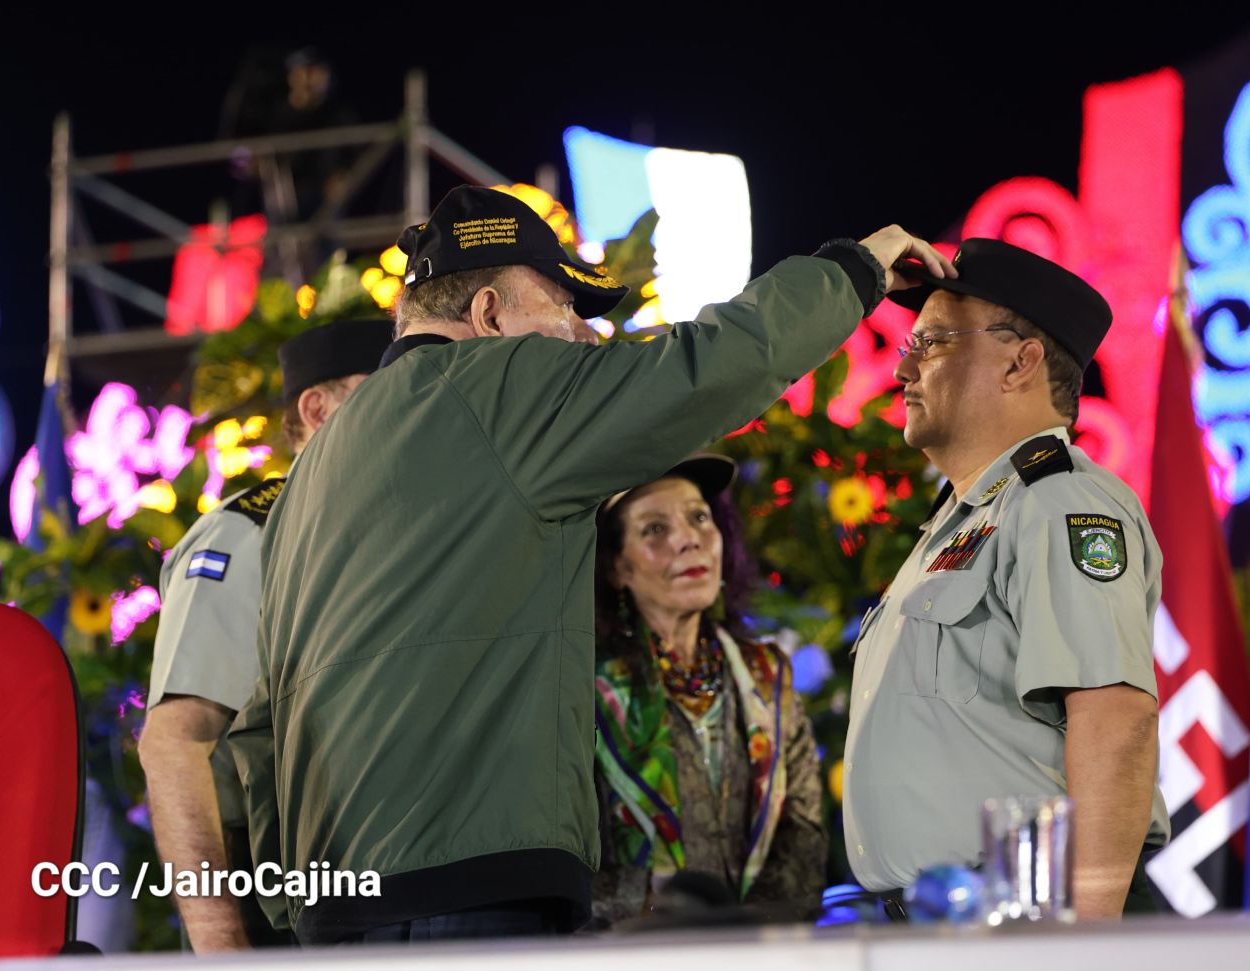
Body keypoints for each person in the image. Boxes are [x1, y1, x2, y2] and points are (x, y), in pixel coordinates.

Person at [229, 184, 954, 945]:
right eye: (564, 308)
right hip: (469, 887)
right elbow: (709, 366)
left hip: (336, 904)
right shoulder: (495, 388)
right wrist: (854, 269)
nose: (583, 336)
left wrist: (289, 904)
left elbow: (258, 723)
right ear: (489, 315)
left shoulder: (308, 476)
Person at [839, 238, 1168, 920]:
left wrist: (1083, 943)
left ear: (1021, 363)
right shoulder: (962, 522)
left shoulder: (1058, 501)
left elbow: (1115, 718)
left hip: (1032, 917)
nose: (903, 367)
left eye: (932, 342)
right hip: (954, 920)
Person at [138, 318, 392, 951]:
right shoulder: (251, 532)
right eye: (387, 390)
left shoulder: (390, 532)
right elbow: (176, 743)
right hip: (272, 909)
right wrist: (219, 940)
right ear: (317, 408)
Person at [590, 455, 825, 927]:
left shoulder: (766, 675)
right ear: (617, 568)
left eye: (699, 517)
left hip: (756, 948)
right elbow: (572, 862)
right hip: (635, 949)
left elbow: (803, 832)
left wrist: (747, 929)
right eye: (655, 529)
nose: (688, 539)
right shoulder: (588, 693)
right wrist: (670, 914)